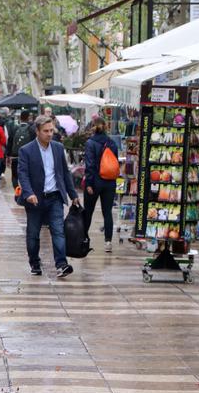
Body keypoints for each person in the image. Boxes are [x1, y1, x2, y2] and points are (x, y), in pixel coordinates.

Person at [18, 115, 80, 279]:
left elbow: (65, 173)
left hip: (55, 197)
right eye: (46, 131)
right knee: (33, 234)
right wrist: (29, 193)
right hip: (35, 199)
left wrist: (73, 194)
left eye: (51, 130)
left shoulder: (58, 148)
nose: (49, 134)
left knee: (58, 232)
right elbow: (23, 175)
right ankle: (35, 263)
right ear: (37, 131)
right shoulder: (26, 150)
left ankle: (61, 264)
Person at [83, 117, 119, 253]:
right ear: (105, 126)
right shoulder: (112, 143)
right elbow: (114, 161)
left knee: (88, 211)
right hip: (110, 182)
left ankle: (84, 238)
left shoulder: (90, 143)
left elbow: (90, 165)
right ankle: (108, 242)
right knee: (107, 212)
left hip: (95, 182)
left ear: (93, 127)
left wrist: (89, 184)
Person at [7, 110, 35, 190]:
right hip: (28, 156)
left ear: (20, 118)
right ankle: (26, 190)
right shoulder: (31, 130)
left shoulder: (14, 128)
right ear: (29, 118)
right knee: (27, 175)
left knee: (15, 175)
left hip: (15, 156)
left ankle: (17, 191)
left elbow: (10, 142)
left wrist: (8, 155)